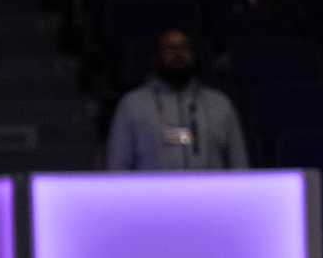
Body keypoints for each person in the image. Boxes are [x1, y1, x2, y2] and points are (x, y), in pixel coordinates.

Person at [105, 30, 249, 171]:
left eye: (184, 47)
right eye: (170, 48)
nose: (178, 54)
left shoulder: (219, 103)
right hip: (153, 194)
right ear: (157, 55)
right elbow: (117, 165)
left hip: (208, 194)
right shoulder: (133, 104)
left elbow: (239, 163)